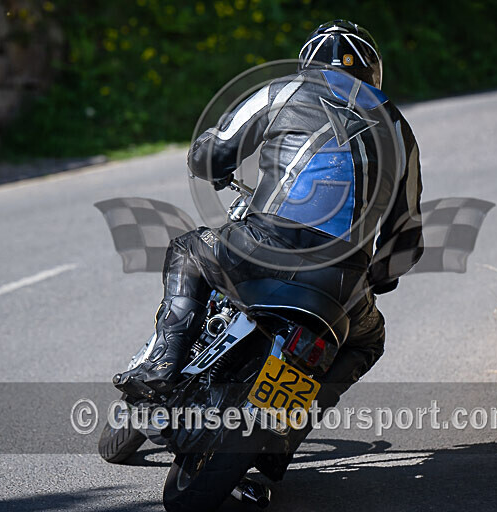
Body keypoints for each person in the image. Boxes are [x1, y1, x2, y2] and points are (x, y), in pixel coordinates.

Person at [114, 20, 423, 472]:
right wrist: (378, 278)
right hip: (342, 282)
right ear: (372, 74)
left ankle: (161, 365)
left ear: (307, 62)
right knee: (367, 341)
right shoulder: (398, 128)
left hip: (263, 247)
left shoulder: (284, 90)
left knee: (189, 250)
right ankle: (284, 440)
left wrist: (209, 161)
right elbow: (406, 238)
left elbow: (212, 152)